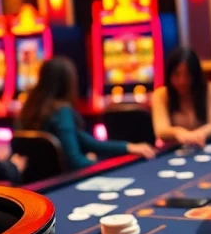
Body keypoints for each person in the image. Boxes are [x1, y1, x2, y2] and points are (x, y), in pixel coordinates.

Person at [18, 57, 155, 170]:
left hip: (33, 182)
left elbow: (88, 142)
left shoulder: (29, 109)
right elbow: (75, 161)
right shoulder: (61, 111)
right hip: (61, 182)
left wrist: (128, 147)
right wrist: (111, 167)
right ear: (68, 83)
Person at [151, 47, 211, 146]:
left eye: (188, 74)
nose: (182, 81)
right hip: (174, 150)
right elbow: (160, 130)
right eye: (176, 75)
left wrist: (195, 135)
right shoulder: (160, 94)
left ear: (196, 75)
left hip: (208, 145)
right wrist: (178, 132)